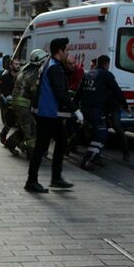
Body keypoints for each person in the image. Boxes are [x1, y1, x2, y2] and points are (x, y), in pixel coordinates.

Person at [25, 38, 82, 193]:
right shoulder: (54, 68)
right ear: (60, 51)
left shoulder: (51, 63)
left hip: (49, 113)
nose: (68, 53)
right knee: (41, 147)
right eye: (66, 50)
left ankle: (56, 178)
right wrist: (75, 110)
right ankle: (31, 181)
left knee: (62, 141)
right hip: (47, 113)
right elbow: (60, 92)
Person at [75, 55, 129, 170]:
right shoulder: (107, 75)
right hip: (96, 110)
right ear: (106, 64)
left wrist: (74, 107)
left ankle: (91, 156)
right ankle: (87, 160)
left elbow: (79, 92)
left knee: (86, 132)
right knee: (101, 135)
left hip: (84, 109)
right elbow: (117, 91)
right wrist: (125, 105)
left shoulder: (87, 74)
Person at [8, 49, 48, 159]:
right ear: (40, 62)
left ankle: (10, 143)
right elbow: (34, 91)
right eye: (44, 61)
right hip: (23, 104)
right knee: (31, 130)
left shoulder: (25, 69)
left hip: (18, 103)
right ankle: (32, 153)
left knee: (24, 127)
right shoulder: (34, 73)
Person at [0, 57, 21, 150]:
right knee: (10, 121)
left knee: (19, 122)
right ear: (11, 66)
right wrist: (4, 99)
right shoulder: (5, 77)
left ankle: (17, 142)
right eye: (16, 64)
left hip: (18, 102)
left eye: (19, 64)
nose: (18, 66)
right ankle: (3, 135)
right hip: (7, 103)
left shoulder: (20, 76)